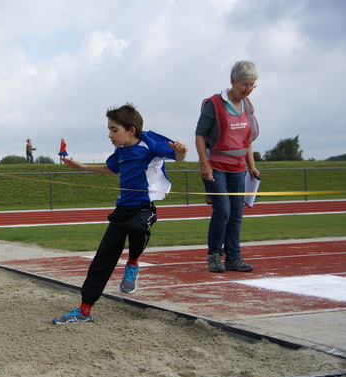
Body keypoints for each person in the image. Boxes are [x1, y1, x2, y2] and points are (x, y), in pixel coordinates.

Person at [52, 104, 188, 324]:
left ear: (131, 130)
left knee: (138, 227)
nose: (109, 135)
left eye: (114, 130)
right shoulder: (120, 151)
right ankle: (84, 310)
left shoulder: (150, 141)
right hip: (121, 210)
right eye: (109, 129)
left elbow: (177, 156)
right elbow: (111, 168)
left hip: (144, 206)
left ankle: (132, 263)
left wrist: (180, 152)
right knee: (102, 260)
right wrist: (82, 167)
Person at [195, 61, 260, 273]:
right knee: (222, 210)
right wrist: (205, 165)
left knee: (236, 213)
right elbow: (200, 135)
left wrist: (252, 166)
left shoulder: (248, 106)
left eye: (252, 85)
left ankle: (234, 257)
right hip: (216, 166)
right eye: (245, 84)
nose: (248, 89)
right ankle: (214, 255)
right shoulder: (214, 103)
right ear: (233, 81)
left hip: (238, 168)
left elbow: (247, 140)